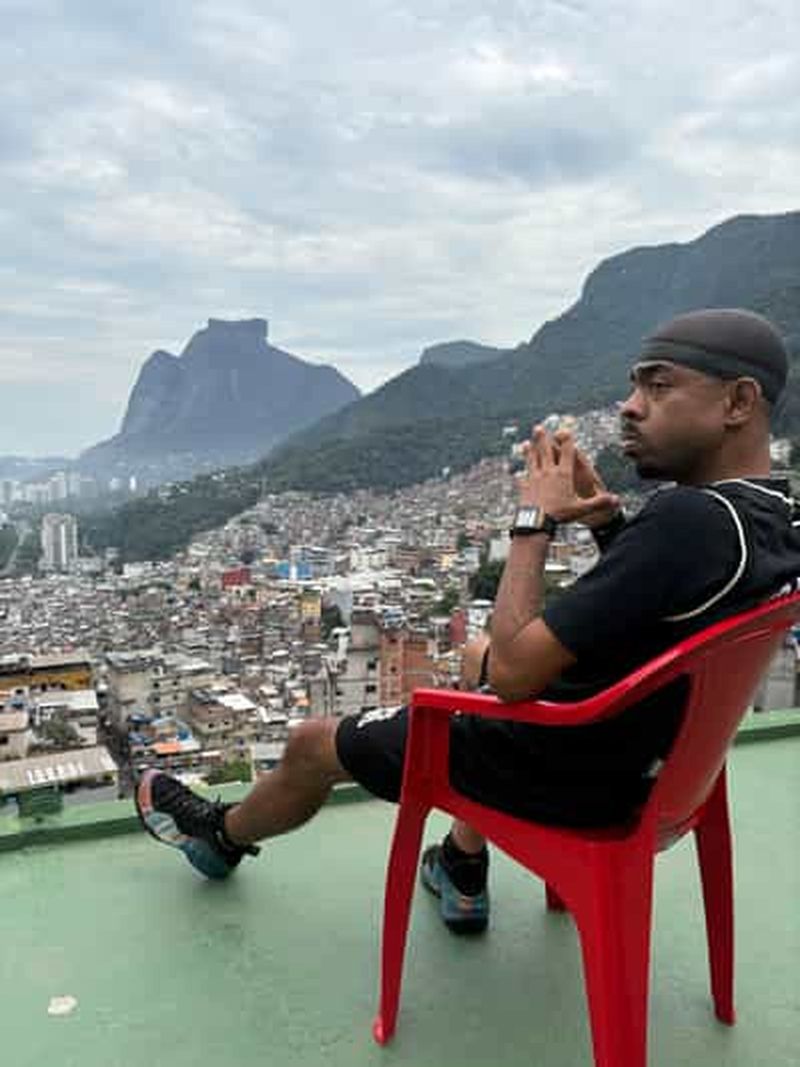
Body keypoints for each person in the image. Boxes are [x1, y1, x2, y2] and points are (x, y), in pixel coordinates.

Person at [136, 307, 800, 934]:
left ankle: (220, 835)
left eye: (659, 387)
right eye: (633, 387)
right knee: (474, 652)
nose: (630, 406)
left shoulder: (686, 520)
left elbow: (514, 678)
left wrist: (533, 519)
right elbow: (669, 607)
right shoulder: (766, 515)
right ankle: (461, 862)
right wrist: (603, 519)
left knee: (315, 741)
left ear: (739, 403)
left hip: (578, 773)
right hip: (660, 765)